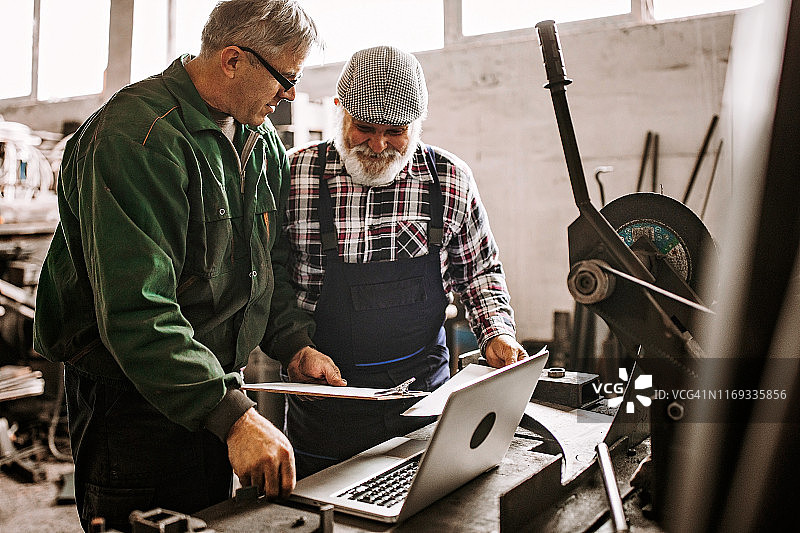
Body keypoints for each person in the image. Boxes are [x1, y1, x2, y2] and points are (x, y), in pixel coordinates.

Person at [32, 1, 343, 531]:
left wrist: (293, 344)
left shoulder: (258, 140)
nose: (289, 95)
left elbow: (265, 262)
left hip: (211, 387)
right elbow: (137, 310)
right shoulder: (138, 138)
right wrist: (233, 415)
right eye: (284, 79)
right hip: (131, 400)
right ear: (232, 60)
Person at [277, 45, 527, 478]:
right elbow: (269, 280)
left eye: (395, 130)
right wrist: (293, 347)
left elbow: (479, 272)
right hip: (325, 408)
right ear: (339, 110)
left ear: (419, 123)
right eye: (365, 127)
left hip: (424, 402)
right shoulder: (293, 178)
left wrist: (495, 335)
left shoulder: (449, 179)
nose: (377, 145)